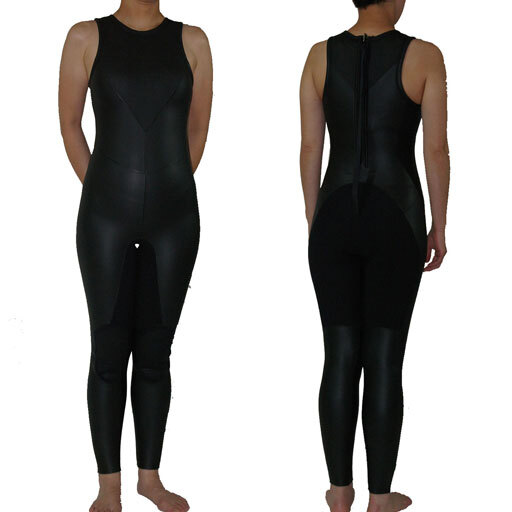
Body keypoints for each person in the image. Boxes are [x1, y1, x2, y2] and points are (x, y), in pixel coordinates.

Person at [58, 0, 212, 510]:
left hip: (175, 220)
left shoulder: (194, 41)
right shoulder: (85, 36)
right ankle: (109, 487)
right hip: (105, 219)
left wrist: (165, 188)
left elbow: (196, 130)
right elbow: (70, 125)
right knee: (107, 350)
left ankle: (150, 478)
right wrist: (107, 190)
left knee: (155, 352)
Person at [299, 0, 449, 511]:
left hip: (334, 214)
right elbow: (435, 150)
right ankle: (380, 498)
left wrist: (316, 218)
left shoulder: (318, 55)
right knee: (384, 357)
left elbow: (311, 148)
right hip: (396, 217)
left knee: (340, 353)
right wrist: (438, 225)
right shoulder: (425, 55)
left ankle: (340, 492)